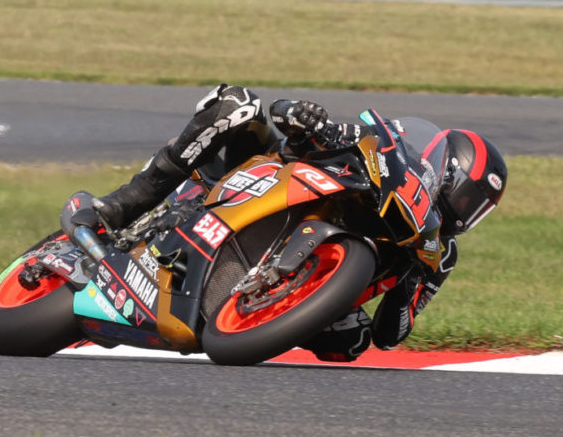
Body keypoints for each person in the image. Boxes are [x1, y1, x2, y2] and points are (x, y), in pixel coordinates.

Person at [92, 84, 508, 362]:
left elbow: (391, 333)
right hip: (255, 182)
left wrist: (410, 285)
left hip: (311, 282)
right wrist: (310, 120)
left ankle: (258, 307)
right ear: (443, 171)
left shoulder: (439, 255)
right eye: (465, 196)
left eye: (476, 209)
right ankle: (126, 204)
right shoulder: (376, 151)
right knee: (238, 104)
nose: (463, 211)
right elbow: (287, 114)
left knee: (351, 340)